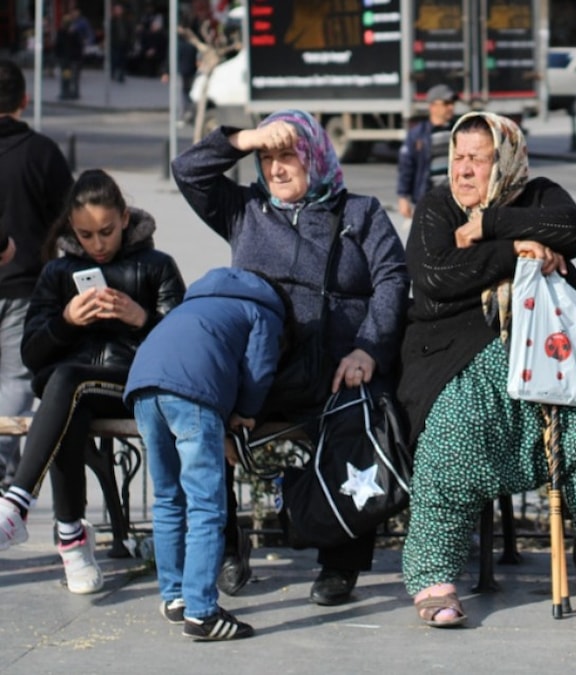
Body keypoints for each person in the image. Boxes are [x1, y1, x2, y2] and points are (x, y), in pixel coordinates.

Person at [397, 111, 576, 627]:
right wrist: (516, 251)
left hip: (552, 353)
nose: (464, 170)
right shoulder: (436, 206)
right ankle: (435, 579)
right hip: (457, 360)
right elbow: (435, 277)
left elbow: (572, 230)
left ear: (506, 160)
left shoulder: (539, 195)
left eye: (479, 158)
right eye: (458, 157)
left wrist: (491, 226)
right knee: (453, 434)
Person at [172, 109, 409, 606]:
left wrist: (369, 347)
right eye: (266, 158)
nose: (276, 168)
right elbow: (188, 170)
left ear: (315, 157)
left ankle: (340, 563)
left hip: (339, 367)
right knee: (202, 416)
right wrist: (244, 137)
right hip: (263, 368)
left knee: (357, 416)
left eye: (287, 156)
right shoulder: (245, 211)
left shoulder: (361, 213)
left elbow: (392, 278)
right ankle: (224, 544)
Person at [0, 170, 186, 596]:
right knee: (67, 398)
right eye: (85, 235)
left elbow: (185, 346)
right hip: (77, 394)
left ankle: (19, 504)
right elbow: (31, 353)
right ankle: (72, 540)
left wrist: (141, 319)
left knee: (66, 383)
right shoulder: (57, 272)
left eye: (106, 231)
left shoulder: (156, 266)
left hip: (137, 386)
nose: (97, 244)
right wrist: (67, 322)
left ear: (124, 218)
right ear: (71, 229)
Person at [125, 267, 295, 641]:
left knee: (169, 497)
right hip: (192, 393)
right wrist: (245, 412)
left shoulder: (196, 304)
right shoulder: (263, 310)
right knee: (206, 505)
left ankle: (174, 598)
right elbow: (258, 368)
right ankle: (202, 612)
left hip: (141, 388)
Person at [0, 61, 74, 489]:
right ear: (24, 100)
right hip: (28, 286)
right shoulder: (42, 153)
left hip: (25, 284)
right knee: (17, 380)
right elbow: (68, 221)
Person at [397, 84, 457, 220]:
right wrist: (403, 196)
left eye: (452, 103)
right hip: (428, 198)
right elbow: (406, 166)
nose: (451, 107)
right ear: (432, 106)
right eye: (446, 103)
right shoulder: (418, 134)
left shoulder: (459, 130)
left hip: (455, 199)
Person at [55, 15, 85, 101]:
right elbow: (79, 45)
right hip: (71, 59)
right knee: (72, 77)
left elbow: (58, 45)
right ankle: (72, 92)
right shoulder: (71, 32)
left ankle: (68, 92)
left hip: (68, 59)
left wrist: (58, 56)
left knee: (68, 76)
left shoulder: (67, 32)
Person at [109, 3, 132, 84]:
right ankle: (113, 74)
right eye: (117, 9)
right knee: (115, 59)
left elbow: (129, 32)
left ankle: (121, 75)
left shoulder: (125, 20)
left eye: (120, 9)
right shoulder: (112, 20)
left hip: (124, 43)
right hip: (115, 44)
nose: (119, 11)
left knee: (123, 60)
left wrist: (130, 42)